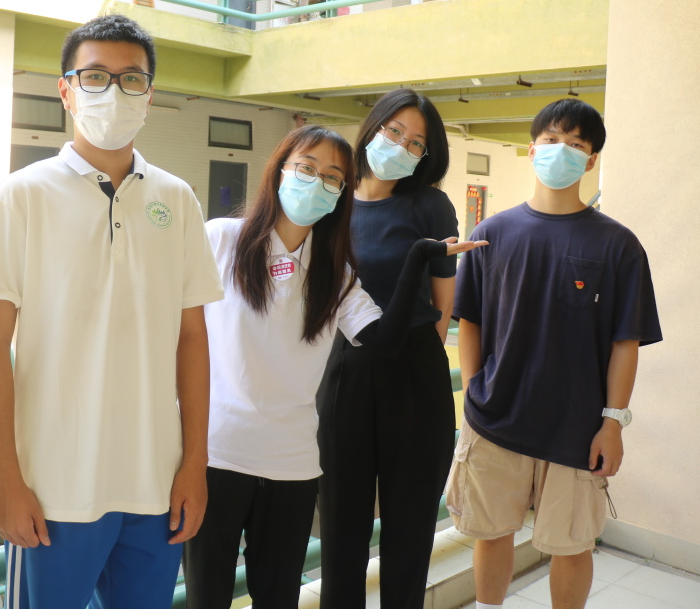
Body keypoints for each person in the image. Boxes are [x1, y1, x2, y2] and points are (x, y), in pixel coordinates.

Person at [0, 14, 224, 609]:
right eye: (94, 76)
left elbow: (192, 339)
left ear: (149, 94)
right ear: (66, 91)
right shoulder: (20, 196)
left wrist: (194, 464)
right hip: (53, 490)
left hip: (155, 486)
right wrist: (6, 480)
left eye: (131, 78)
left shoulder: (176, 199)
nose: (113, 90)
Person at [183, 124, 486, 608]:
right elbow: (171, 330)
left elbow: (384, 341)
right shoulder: (220, 239)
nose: (317, 182)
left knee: (278, 598)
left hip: (293, 466)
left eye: (332, 178)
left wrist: (417, 259)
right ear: (279, 171)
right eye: (306, 168)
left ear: (342, 194)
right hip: (217, 457)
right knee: (206, 597)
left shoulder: (335, 274)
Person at [445, 98, 661, 609]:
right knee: (491, 533)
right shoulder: (491, 234)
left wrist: (613, 423)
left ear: (591, 160)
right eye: (551, 140)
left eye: (576, 143)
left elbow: (625, 342)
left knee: (572, 545)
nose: (561, 150)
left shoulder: (618, 245)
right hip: (494, 421)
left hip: (577, 428)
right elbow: (470, 321)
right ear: (531, 149)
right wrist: (473, 392)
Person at [316, 88, 459, 609]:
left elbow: (442, 304)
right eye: (394, 131)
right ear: (373, 128)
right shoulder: (333, 201)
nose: (401, 145)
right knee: (341, 526)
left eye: (416, 142)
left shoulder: (431, 206)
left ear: (426, 155)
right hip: (344, 367)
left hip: (415, 370)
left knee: (410, 527)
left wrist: (412, 361)